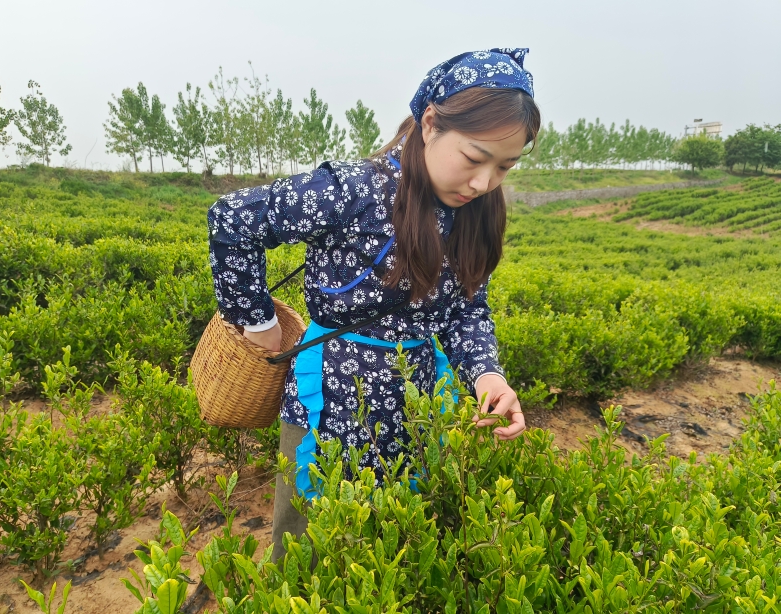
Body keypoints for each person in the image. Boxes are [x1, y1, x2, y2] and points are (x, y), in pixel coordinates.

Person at [207, 47, 540, 563]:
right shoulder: (352, 190)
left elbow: (468, 309)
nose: (483, 183)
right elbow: (232, 219)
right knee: (305, 550)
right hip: (330, 397)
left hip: (420, 403)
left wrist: (487, 376)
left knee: (394, 549)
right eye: (474, 159)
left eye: (504, 167)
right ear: (430, 123)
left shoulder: (476, 213)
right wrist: (258, 322)